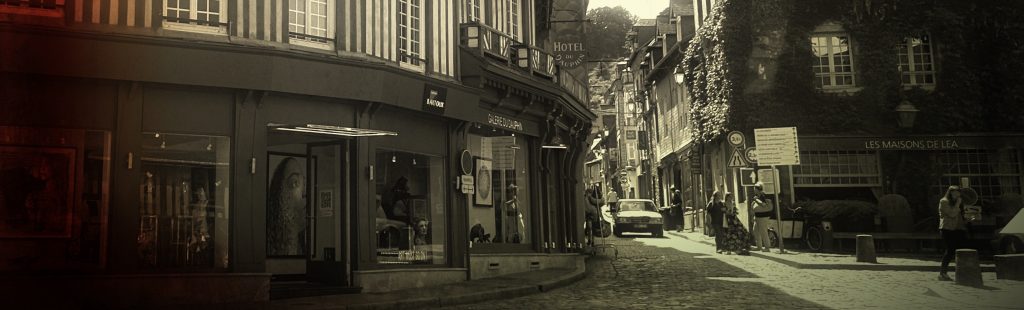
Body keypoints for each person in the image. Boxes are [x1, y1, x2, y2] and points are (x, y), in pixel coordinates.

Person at [938, 185, 968, 281]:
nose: (957, 194)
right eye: (954, 192)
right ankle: (942, 273)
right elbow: (952, 214)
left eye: (958, 192)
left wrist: (967, 220)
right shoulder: (944, 201)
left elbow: (959, 216)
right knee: (949, 251)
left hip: (959, 229)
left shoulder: (957, 203)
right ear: (949, 193)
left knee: (961, 250)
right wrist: (958, 204)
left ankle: (962, 272)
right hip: (948, 229)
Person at [751, 183, 774, 252]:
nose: (754, 190)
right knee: (755, 231)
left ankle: (767, 247)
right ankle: (759, 247)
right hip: (757, 217)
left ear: (758, 189)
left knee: (763, 231)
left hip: (763, 217)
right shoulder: (757, 196)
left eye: (755, 189)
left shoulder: (763, 195)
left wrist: (756, 200)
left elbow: (763, 205)